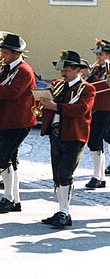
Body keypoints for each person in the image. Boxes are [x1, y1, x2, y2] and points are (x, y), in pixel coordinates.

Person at [38, 50, 95, 228]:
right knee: (57, 175)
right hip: (56, 133)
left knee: (65, 174)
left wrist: (55, 106)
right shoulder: (57, 85)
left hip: (74, 135)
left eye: (68, 69)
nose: (63, 72)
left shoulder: (87, 89)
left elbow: (81, 110)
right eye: (63, 69)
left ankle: (65, 211)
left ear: (77, 70)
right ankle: (62, 210)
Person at [0, 33, 36, 212]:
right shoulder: (6, 69)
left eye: (5, 52)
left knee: (3, 157)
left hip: (18, 120)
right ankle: (15, 199)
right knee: (10, 158)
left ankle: (8, 197)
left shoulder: (23, 71)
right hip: (4, 119)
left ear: (16, 53)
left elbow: (11, 93)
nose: (2, 55)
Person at [84, 39, 110, 188]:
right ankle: (98, 176)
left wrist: (89, 77)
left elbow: (103, 85)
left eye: (100, 55)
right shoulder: (97, 68)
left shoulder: (108, 68)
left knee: (95, 141)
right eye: (97, 55)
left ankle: (97, 177)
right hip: (95, 108)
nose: (97, 58)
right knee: (95, 141)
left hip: (105, 109)